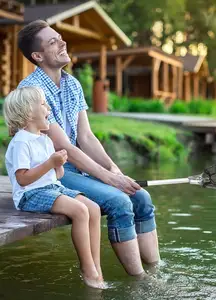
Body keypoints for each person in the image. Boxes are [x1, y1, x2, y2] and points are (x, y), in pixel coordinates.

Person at [17, 20, 160, 277]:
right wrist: (109, 179)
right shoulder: (31, 92)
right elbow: (64, 147)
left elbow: (86, 136)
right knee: (119, 201)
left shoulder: (73, 84)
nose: (62, 43)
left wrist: (114, 169)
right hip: (53, 169)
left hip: (80, 165)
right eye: (53, 42)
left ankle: (156, 272)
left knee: (141, 198)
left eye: (60, 38)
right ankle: (140, 281)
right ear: (37, 56)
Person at [3, 86, 105, 289]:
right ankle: (87, 269)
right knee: (80, 210)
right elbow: (23, 179)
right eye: (43, 104)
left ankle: (96, 266)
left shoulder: (45, 140)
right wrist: (50, 163)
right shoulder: (21, 142)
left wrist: (57, 166)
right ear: (28, 112)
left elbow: (56, 176)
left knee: (93, 208)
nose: (48, 108)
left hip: (51, 188)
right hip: (30, 194)